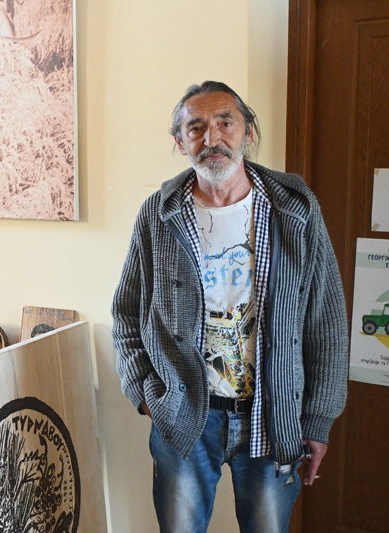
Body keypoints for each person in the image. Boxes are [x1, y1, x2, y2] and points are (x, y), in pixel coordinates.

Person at [111, 81, 348, 532]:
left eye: (225, 122)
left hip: (273, 415)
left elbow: (327, 321)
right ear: (180, 142)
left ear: (248, 132)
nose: (212, 138)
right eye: (196, 127)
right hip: (184, 415)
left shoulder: (294, 210)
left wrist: (318, 419)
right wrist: (144, 393)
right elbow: (126, 311)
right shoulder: (158, 215)